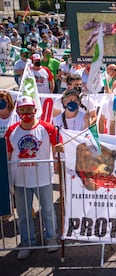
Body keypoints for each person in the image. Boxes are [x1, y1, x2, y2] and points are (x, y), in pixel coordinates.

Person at [5, 96, 60, 260]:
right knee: (23, 214)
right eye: (22, 110)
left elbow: (56, 147)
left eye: (29, 109)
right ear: (18, 111)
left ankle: (51, 238)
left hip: (43, 178)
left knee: (48, 210)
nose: (26, 113)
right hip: (20, 179)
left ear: (35, 110)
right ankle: (28, 243)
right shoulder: (11, 131)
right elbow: (8, 155)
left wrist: (58, 158)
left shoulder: (47, 128)